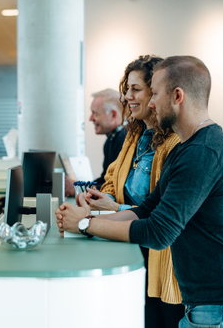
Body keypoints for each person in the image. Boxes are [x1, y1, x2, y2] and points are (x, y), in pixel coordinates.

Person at [57, 56, 223, 328]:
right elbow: (145, 211)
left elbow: (158, 232)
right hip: (212, 307)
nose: (151, 102)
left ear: (177, 96)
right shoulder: (184, 150)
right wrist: (86, 220)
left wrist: (86, 224)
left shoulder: (202, 153)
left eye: (154, 93)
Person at [79, 55, 184, 328]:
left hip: (162, 258)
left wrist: (111, 210)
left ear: (156, 92)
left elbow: (160, 214)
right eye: (127, 90)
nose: (127, 97)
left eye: (135, 89)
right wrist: (105, 199)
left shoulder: (174, 144)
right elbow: (112, 178)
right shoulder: (134, 136)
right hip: (133, 245)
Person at [89, 88, 127, 188]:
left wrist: (82, 189)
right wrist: (80, 186)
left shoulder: (126, 140)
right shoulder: (110, 141)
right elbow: (105, 179)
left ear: (113, 115)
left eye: (95, 113)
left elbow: (114, 185)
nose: (90, 118)